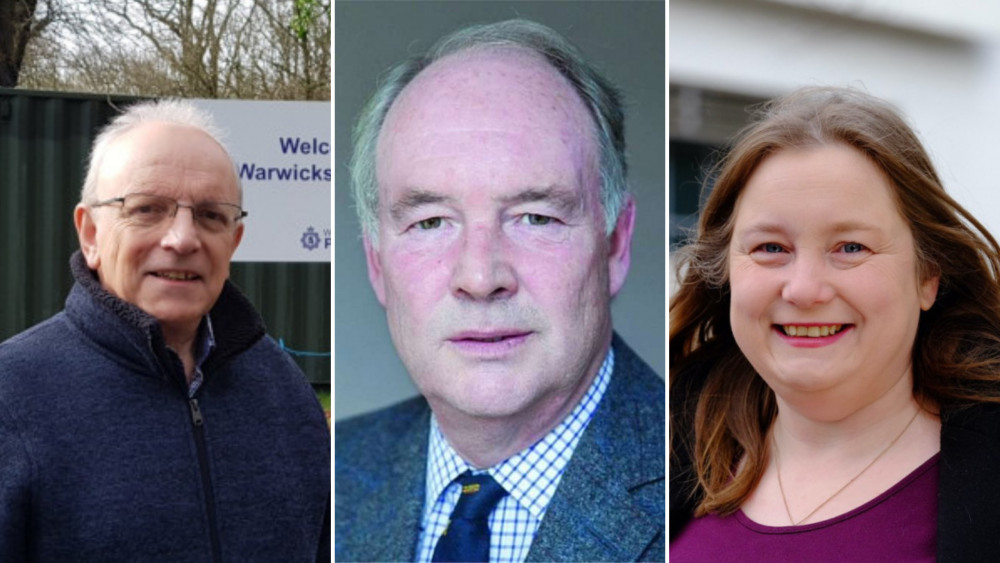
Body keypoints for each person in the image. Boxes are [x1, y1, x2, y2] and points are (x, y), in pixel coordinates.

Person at [335, 19, 664, 563]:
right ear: (376, 262)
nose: (481, 278)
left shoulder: (704, 478)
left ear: (615, 245)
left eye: (535, 217)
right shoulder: (334, 472)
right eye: (431, 222)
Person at [670, 86, 1000, 561]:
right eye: (771, 248)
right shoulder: (663, 453)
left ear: (928, 276)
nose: (803, 290)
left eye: (851, 248)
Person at [0, 100, 330, 561]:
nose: (182, 238)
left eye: (211, 215)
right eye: (147, 209)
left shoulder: (284, 391)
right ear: (90, 233)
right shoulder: (12, 394)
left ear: (233, 240)